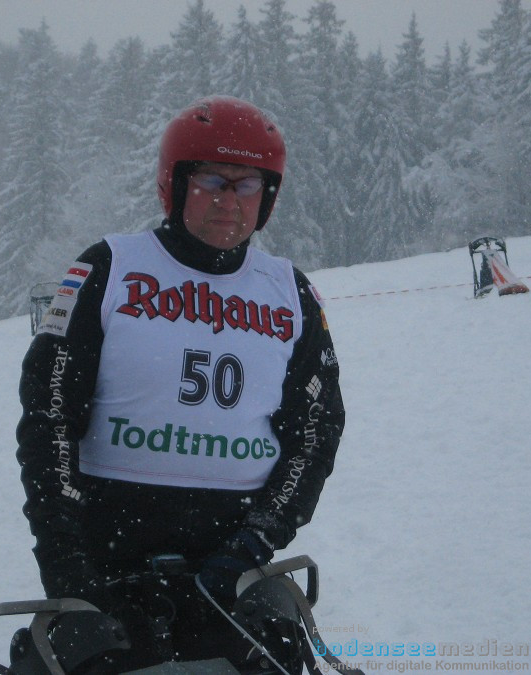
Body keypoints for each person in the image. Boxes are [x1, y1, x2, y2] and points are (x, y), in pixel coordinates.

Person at [17, 95, 345, 672]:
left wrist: (254, 543)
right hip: (108, 552)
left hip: (235, 558)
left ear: (268, 198)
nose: (229, 202)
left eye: (248, 186)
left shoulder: (289, 291)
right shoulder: (108, 269)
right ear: (175, 185)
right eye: (212, 182)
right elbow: (49, 416)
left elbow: (316, 432)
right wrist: (68, 567)